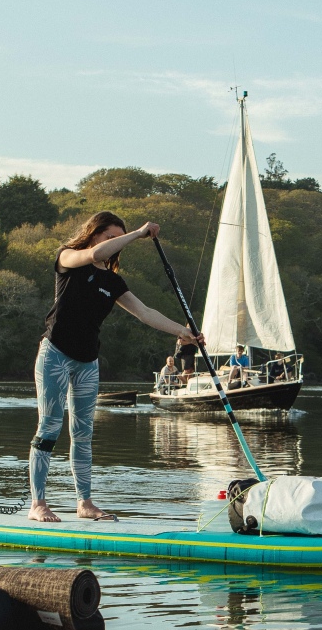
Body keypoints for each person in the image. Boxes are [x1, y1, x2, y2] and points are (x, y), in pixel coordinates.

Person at [30, 211, 201, 522]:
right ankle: (38, 504)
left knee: (83, 433)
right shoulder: (67, 259)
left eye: (116, 239)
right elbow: (95, 255)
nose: (112, 244)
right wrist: (137, 233)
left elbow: (146, 312)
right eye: (109, 237)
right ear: (94, 234)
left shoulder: (112, 281)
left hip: (88, 362)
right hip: (55, 354)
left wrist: (182, 331)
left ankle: (85, 503)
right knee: (50, 427)